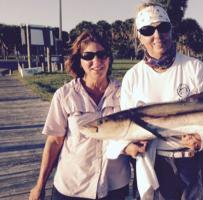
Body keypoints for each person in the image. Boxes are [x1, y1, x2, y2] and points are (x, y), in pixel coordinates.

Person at [118, 2, 203, 200]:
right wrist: (128, 145)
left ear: (171, 30)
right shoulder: (133, 77)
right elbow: (126, 128)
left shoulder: (196, 68)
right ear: (139, 36)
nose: (157, 36)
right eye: (148, 30)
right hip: (155, 163)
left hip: (195, 163)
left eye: (162, 27)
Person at [29, 31, 131, 200]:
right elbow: (54, 142)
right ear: (79, 61)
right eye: (88, 56)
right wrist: (40, 185)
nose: (96, 61)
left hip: (115, 187)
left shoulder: (126, 92)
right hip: (72, 187)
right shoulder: (65, 95)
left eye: (102, 54)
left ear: (109, 58)